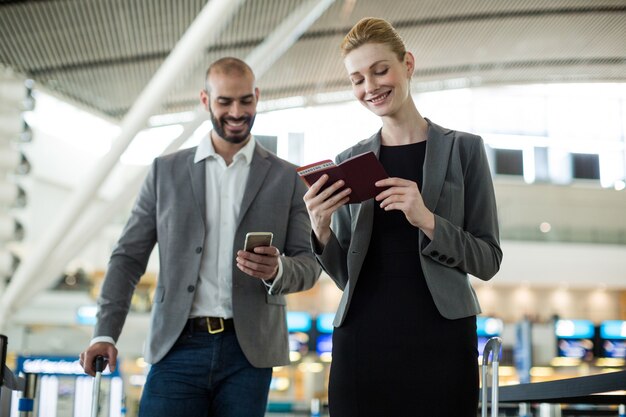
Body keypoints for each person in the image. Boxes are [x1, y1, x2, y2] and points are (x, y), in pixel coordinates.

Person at [80, 57, 321, 417]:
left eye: (245, 100)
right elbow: (128, 257)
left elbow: (308, 264)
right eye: (225, 102)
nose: (237, 112)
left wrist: (276, 270)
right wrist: (105, 333)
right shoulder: (165, 172)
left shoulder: (287, 178)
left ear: (257, 97)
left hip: (248, 353)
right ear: (206, 100)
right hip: (177, 346)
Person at [303, 18, 503, 416]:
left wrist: (428, 219)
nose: (370, 87)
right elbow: (347, 276)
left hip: (441, 338)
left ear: (407, 64)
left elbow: (488, 260)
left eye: (380, 70)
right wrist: (321, 232)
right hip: (362, 338)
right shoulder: (349, 162)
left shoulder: (464, 150)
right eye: (357, 79)